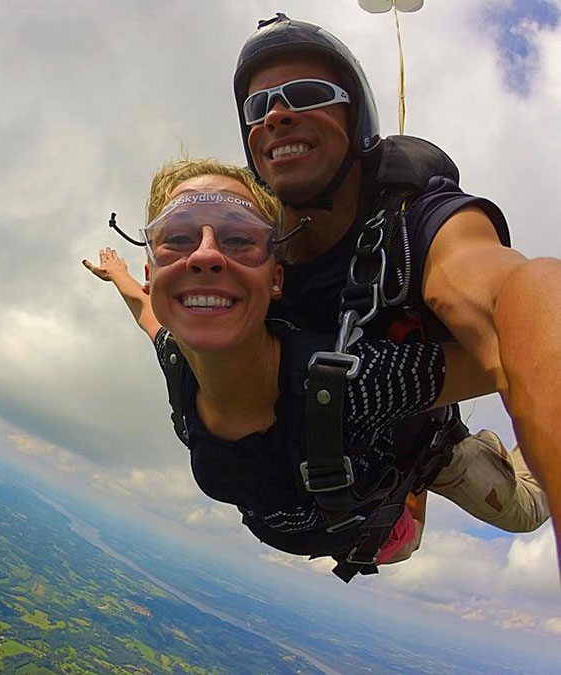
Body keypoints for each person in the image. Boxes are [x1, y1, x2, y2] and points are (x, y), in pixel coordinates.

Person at [231, 14, 554, 562]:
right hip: (347, 465)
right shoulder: (242, 246)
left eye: (306, 95)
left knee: (523, 511)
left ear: (355, 117)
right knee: (392, 537)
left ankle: (505, 455)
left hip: (428, 448)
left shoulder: (418, 227)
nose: (277, 116)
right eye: (257, 109)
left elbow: (506, 294)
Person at [85, 158, 498, 579]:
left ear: (276, 279)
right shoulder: (178, 358)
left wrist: (461, 277)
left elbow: (502, 358)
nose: (205, 255)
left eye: (239, 237)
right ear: (152, 274)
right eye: (177, 236)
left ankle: (459, 456)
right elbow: (143, 309)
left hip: (387, 533)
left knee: (517, 511)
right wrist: (117, 272)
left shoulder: (354, 384)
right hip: (330, 516)